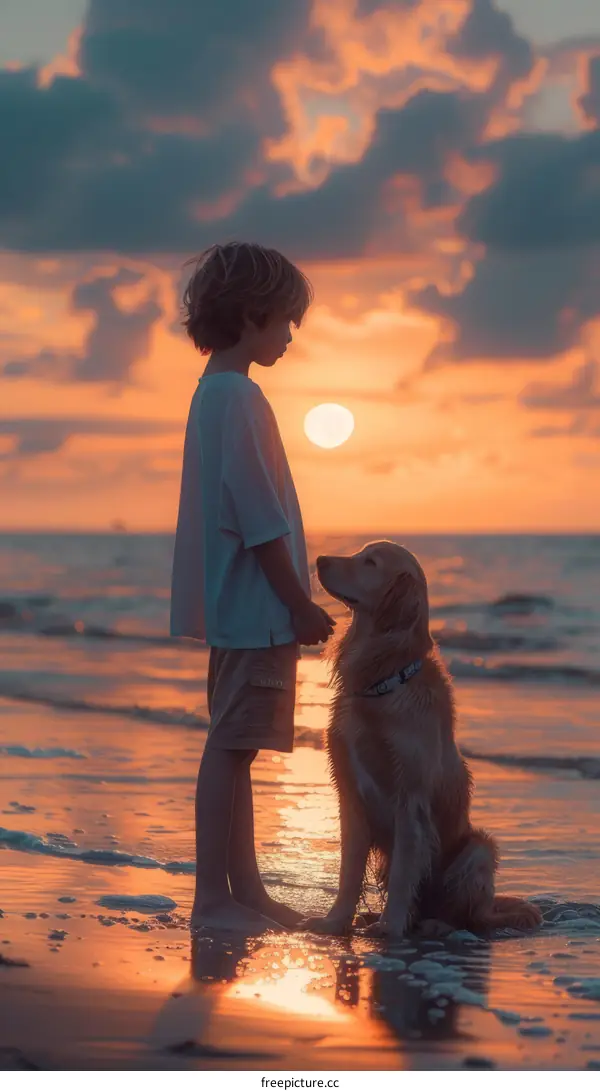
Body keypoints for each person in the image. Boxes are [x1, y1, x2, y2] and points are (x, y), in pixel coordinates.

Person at [170, 242, 335, 933]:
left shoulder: (214, 393)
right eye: (285, 321)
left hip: (235, 608)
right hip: (258, 610)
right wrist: (299, 602)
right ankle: (215, 897)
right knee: (231, 748)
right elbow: (258, 516)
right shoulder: (239, 396)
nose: (291, 335)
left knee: (233, 748)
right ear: (250, 314)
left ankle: (244, 892)